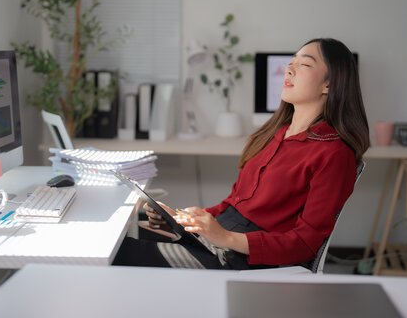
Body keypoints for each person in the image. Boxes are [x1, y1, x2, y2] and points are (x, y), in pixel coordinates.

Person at [113, 38, 370, 270]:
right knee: (123, 237)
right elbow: (235, 205)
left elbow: (305, 243)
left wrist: (224, 237)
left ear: (329, 84)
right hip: (223, 240)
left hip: (248, 258)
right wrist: (184, 220)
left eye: (304, 64)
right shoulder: (275, 132)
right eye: (290, 62)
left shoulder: (334, 154)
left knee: (120, 254)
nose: (288, 70)